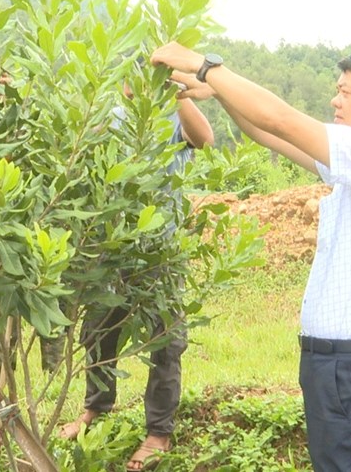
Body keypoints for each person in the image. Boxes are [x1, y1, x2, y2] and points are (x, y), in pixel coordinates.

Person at [151, 43, 351, 472]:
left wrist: (207, 68)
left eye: (345, 92)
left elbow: (281, 118)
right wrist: (219, 91)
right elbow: (268, 133)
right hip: (338, 367)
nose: (334, 101)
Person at [60, 78, 214, 472]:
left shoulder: (175, 116)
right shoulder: (111, 116)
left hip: (161, 254)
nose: (138, 83)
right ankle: (96, 408)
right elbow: (80, 155)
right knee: (98, 332)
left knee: (165, 343)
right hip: (112, 249)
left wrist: (177, 96)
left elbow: (206, 138)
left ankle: (158, 432)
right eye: (133, 74)